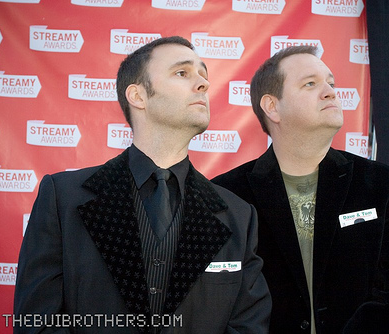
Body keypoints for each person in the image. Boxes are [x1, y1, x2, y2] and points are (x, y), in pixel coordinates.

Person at [14, 36, 271, 333]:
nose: (203, 84)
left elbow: (248, 326)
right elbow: (37, 323)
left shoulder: (238, 215)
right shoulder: (63, 198)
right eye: (182, 73)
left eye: (204, 75)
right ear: (138, 96)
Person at [212, 45, 389, 333]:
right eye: (310, 84)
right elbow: (219, 300)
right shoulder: (225, 194)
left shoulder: (380, 184)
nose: (331, 91)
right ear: (272, 107)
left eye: (330, 83)